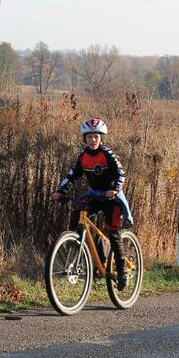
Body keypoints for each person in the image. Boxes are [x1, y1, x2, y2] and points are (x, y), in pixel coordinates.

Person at [51, 118, 133, 290]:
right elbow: (72, 176)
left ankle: (122, 270)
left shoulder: (107, 154)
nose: (93, 140)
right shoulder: (83, 157)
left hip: (112, 197)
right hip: (95, 195)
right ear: (85, 139)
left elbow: (121, 174)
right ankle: (88, 254)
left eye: (96, 137)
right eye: (89, 137)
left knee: (114, 233)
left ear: (101, 138)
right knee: (80, 220)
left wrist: (115, 190)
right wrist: (60, 192)